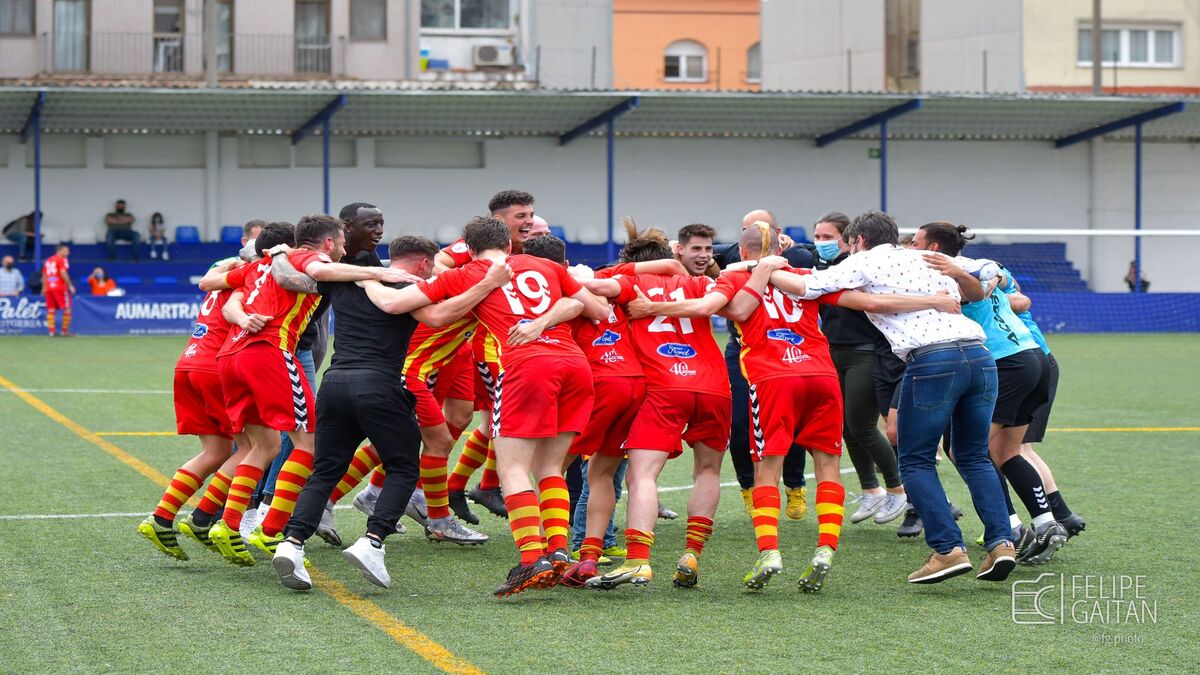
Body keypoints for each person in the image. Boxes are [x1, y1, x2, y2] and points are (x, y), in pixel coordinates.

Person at [631, 222, 961, 592]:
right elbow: (868, 302)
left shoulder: (736, 278)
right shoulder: (804, 276)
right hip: (821, 375)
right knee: (828, 466)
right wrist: (931, 300)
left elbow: (723, 309)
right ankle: (825, 549)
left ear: (741, 252)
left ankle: (770, 552)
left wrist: (650, 307)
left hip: (773, 379)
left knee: (766, 469)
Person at [359, 215, 608, 596]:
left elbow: (396, 306)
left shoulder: (466, 273)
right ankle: (558, 551)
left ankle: (531, 559)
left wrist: (365, 279)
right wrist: (544, 319)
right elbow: (595, 308)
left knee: (513, 468)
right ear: (509, 245)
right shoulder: (544, 265)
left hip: (526, 365)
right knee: (550, 467)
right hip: (574, 366)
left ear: (469, 249)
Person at [764, 211, 1016, 585]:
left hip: (932, 358)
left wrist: (764, 269)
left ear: (857, 241)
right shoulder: (920, 255)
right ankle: (1002, 544)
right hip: (979, 356)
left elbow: (808, 287)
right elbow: (988, 272)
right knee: (974, 455)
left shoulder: (864, 260)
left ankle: (947, 549)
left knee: (914, 460)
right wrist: (961, 278)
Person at [270, 235, 508, 591]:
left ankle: (292, 543)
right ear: (423, 262)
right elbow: (439, 316)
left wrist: (278, 251)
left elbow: (288, 273)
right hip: (381, 385)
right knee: (403, 466)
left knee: (324, 471)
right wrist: (487, 285)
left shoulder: (341, 281)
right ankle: (373, 541)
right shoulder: (409, 284)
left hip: (334, 383)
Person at [205, 216, 411, 567]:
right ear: (328, 243)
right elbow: (314, 273)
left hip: (232, 355)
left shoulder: (265, 262)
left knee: (261, 445)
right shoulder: (308, 260)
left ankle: (226, 524)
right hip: (270, 352)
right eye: (341, 239)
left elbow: (211, 284)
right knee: (308, 445)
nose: (345, 246)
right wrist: (376, 274)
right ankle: (270, 528)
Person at [579, 227, 732, 592]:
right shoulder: (699, 285)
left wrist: (625, 274)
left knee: (641, 475)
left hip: (664, 387)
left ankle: (637, 560)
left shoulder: (630, 283)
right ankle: (692, 552)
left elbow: (588, 285)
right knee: (708, 470)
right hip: (714, 386)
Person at [912, 222, 1069, 564]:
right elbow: (1018, 295)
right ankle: (1047, 525)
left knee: (965, 448)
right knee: (1006, 450)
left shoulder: (951, 277)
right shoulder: (984, 265)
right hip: (1034, 356)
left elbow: (980, 294)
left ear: (934, 248)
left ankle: (1008, 526)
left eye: (916, 242)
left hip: (1004, 361)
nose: (911, 246)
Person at [136, 227, 294, 560]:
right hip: (217, 367)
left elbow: (208, 283)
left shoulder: (223, 272)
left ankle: (163, 517)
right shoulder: (251, 277)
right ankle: (203, 518)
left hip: (189, 362)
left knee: (216, 450)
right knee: (256, 447)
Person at [712, 210, 814, 519]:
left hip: (787, 350)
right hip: (742, 350)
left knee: (790, 422)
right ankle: (748, 487)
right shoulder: (734, 256)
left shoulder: (794, 255)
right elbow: (699, 254)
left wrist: (784, 253)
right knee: (741, 424)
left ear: (779, 232)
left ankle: (794, 486)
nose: (755, 233)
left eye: (761, 228)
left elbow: (813, 263)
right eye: (746, 229)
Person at [813, 212, 908, 526]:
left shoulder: (860, 266)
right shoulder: (823, 267)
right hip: (833, 353)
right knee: (844, 427)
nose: (821, 243)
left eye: (828, 237)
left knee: (862, 425)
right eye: (818, 237)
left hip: (865, 353)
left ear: (850, 240)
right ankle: (872, 490)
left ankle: (898, 487)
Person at [42, 243, 75, 337]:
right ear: (60, 251)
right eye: (66, 250)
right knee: (67, 308)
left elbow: (44, 275)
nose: (68, 253)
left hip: (49, 287)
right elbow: (63, 272)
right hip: (60, 287)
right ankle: (64, 331)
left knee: (51, 309)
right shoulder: (62, 259)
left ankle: (51, 332)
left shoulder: (48, 260)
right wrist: (70, 285)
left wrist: (44, 287)